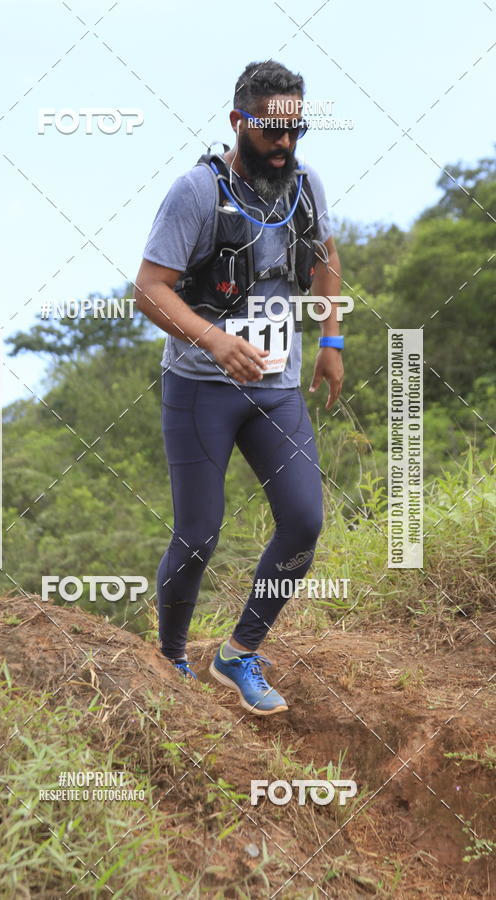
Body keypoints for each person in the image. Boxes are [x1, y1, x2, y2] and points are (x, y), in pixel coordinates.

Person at [134, 60, 343, 715]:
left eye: (294, 131)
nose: (284, 145)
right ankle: (170, 658)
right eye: (270, 132)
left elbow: (326, 262)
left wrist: (331, 342)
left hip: (276, 390)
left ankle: (238, 653)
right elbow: (148, 289)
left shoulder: (306, 186)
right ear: (238, 122)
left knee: (304, 521)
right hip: (201, 389)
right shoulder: (196, 193)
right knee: (198, 534)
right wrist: (216, 341)